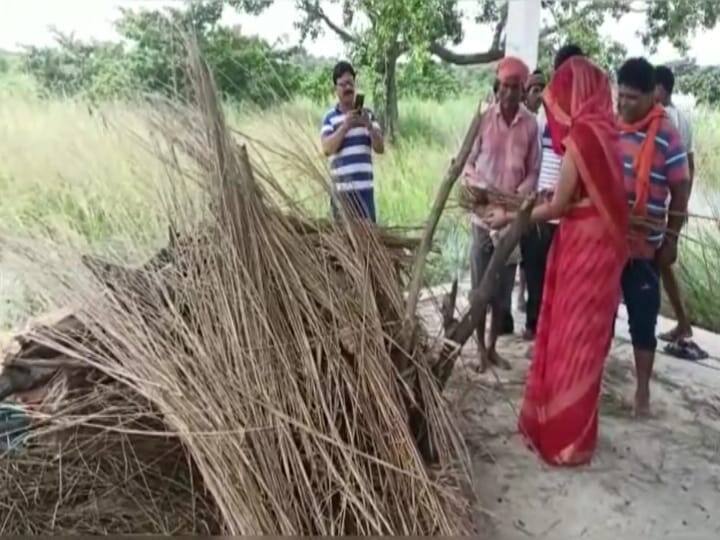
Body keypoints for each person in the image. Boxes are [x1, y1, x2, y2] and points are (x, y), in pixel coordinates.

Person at [485, 56, 629, 466]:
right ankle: (579, 438)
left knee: (569, 338)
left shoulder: (584, 136)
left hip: (582, 250)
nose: (557, 104)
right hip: (604, 255)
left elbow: (560, 205)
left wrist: (509, 215)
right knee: (588, 341)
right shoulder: (608, 133)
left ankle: (561, 438)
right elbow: (589, 197)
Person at [617, 58, 691, 415]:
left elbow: (681, 184)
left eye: (631, 97)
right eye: (620, 96)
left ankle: (642, 391)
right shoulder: (612, 127)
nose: (623, 104)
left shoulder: (666, 134)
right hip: (609, 244)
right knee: (600, 315)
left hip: (645, 247)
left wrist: (672, 238)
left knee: (643, 320)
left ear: (651, 96)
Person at [463, 56, 540, 372]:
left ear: (523, 91)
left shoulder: (531, 125)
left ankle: (493, 348)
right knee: (481, 290)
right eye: (504, 87)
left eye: (515, 88)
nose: (508, 93)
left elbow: (533, 172)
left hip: (510, 223)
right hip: (483, 219)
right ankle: (480, 350)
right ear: (497, 87)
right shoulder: (482, 119)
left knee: (502, 295)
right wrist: (481, 189)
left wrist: (514, 199)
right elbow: (466, 164)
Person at [654, 65, 698, 349]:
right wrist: (683, 206)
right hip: (673, 204)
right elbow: (690, 167)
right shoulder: (683, 117)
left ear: (661, 89)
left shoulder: (664, 118)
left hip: (661, 204)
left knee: (660, 262)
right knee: (664, 263)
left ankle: (681, 322)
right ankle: (682, 322)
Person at [320, 61, 384, 223]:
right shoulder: (330, 118)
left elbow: (380, 148)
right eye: (342, 84)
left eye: (350, 83)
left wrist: (368, 125)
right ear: (336, 89)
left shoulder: (368, 115)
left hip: (365, 192)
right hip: (341, 195)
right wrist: (346, 126)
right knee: (343, 244)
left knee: (369, 242)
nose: (348, 88)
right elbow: (327, 148)